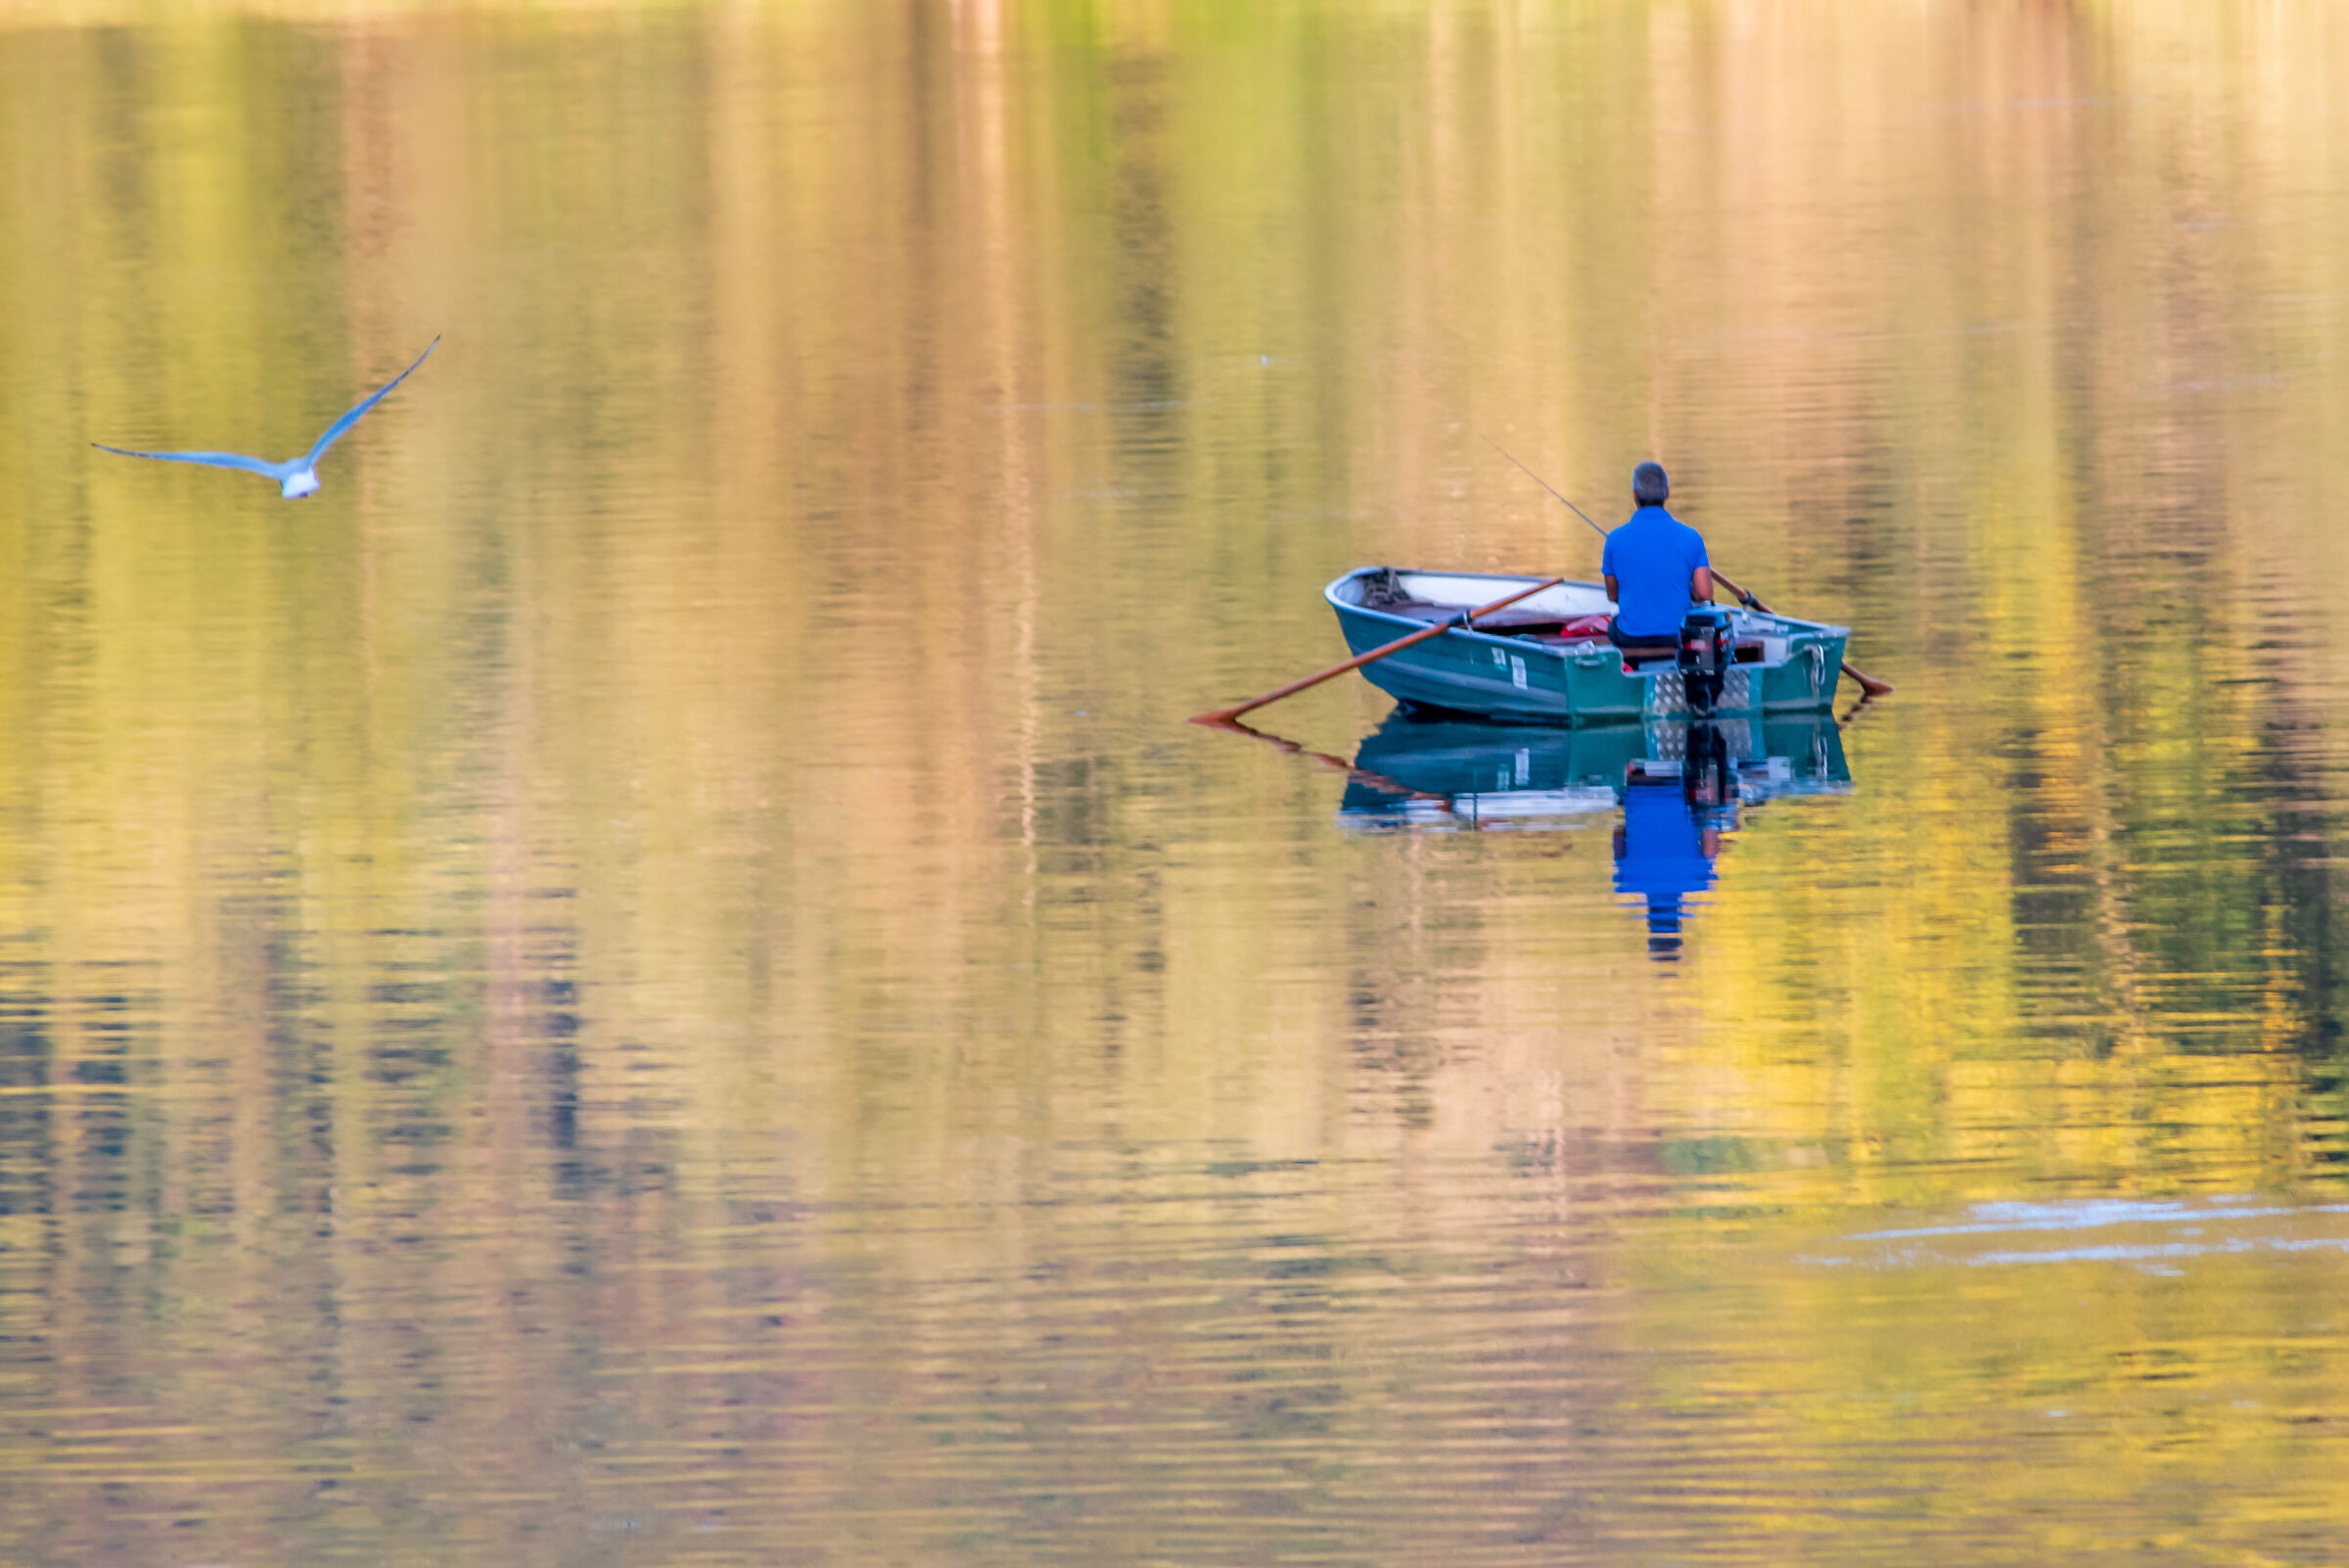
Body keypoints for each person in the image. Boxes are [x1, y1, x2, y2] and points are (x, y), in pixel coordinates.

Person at [1600, 462, 1712, 654]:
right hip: (1678, 636)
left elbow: (1613, 595)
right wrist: (1687, 591)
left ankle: (1630, 673)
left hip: (1631, 638)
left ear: (1635, 495)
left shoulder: (1614, 539)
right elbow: (1704, 594)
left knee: (1614, 626)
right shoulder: (1691, 537)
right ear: (1667, 492)